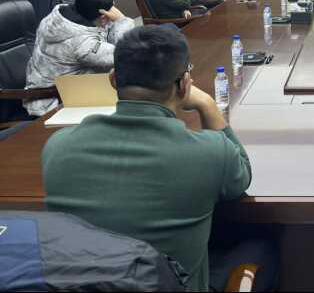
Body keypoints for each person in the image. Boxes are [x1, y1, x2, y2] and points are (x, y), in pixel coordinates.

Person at [42, 26, 278, 292]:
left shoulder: (58, 147)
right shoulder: (210, 152)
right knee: (262, 242)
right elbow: (240, 178)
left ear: (113, 79)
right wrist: (207, 105)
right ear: (185, 84)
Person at [24, 0, 135, 116]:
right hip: (54, 103)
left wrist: (110, 22)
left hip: (56, 88)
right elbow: (125, 55)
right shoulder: (84, 44)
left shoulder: (57, 15)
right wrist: (122, 21)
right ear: (104, 16)